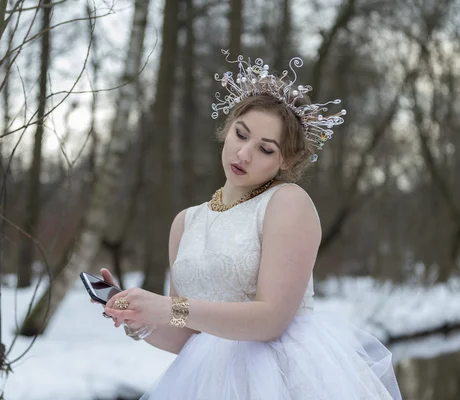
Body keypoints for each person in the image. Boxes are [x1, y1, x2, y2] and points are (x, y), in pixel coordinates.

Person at [94, 51, 402, 399]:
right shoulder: (186, 222)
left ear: (285, 159)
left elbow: (271, 320)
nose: (244, 154)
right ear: (227, 129)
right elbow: (188, 333)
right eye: (241, 135)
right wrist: (140, 318)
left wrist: (168, 308)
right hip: (206, 385)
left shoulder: (286, 202)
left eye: (265, 149)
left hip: (282, 380)